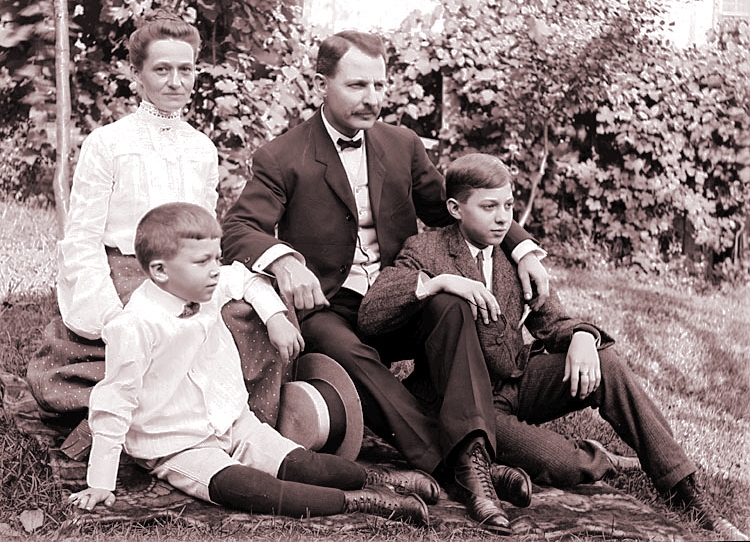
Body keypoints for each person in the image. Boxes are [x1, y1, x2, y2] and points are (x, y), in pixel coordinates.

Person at [221, 30, 547, 533]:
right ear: (321, 84)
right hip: (329, 305)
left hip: (397, 295)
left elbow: (455, 209)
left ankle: (473, 456)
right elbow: (239, 229)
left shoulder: (402, 144)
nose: (372, 98)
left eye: (379, 84)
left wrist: (520, 246)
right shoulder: (282, 156)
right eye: (356, 85)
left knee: (453, 307)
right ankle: (462, 467)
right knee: (347, 353)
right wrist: (285, 262)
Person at [358, 153, 748, 540]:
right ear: (455, 209)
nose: (502, 218)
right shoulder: (426, 250)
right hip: (464, 407)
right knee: (561, 465)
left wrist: (582, 337)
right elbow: (371, 315)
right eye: (489, 207)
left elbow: (554, 322)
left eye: (508, 205)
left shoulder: (515, 257)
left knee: (605, 361)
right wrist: (436, 282)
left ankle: (685, 489)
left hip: (516, 380)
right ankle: (598, 458)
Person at [67, 202, 438, 525]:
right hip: (176, 442)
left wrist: (276, 316)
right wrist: (100, 480)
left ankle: (377, 479)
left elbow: (245, 278)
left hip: (232, 420)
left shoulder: (204, 285)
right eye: (202, 262)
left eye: (216, 258)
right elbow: (114, 402)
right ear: (161, 271)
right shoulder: (133, 326)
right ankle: (359, 502)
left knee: (301, 463)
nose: (215, 269)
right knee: (246, 487)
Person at [26, 15, 288, 434]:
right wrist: (111, 314)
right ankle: (155, 423)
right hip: (125, 271)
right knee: (159, 331)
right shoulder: (108, 143)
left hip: (185, 270)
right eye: (161, 69)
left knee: (245, 317)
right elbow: (83, 239)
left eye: (185, 70)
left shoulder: (201, 148)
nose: (175, 82)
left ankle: (241, 431)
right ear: (137, 73)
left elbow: (203, 234)